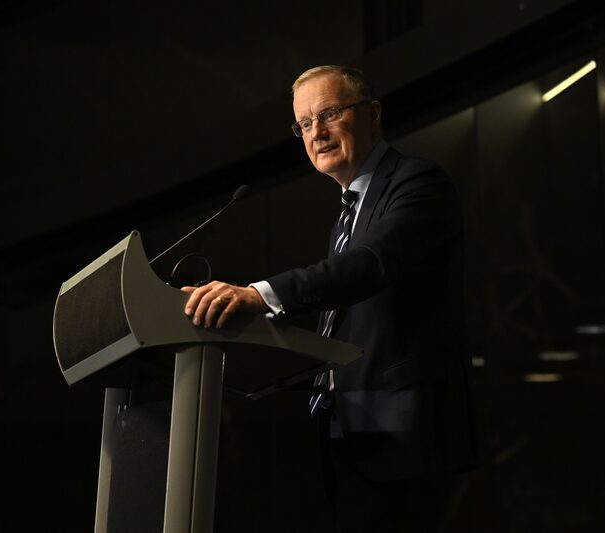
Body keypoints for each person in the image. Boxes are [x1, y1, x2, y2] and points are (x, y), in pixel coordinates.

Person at [183, 65, 478, 532]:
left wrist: (259, 295)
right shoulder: (345, 218)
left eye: (330, 113)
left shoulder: (417, 183)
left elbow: (368, 267)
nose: (315, 132)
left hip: (403, 442)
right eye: (303, 123)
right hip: (350, 438)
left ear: (373, 114)